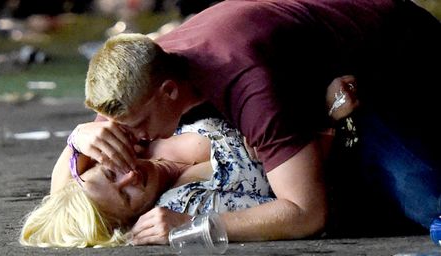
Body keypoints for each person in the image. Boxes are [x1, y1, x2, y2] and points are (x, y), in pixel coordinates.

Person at [55, 0, 441, 241]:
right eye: (115, 182)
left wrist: (194, 228)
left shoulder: (246, 84)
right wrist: (77, 140)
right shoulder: (138, 80)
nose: (128, 163)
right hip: (316, 82)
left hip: (395, 61)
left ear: (169, 93)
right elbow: (65, 200)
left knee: (429, 201)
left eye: (136, 125)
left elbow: (307, 212)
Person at [22, 118, 275, 247]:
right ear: (136, 219)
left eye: (111, 174)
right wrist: (193, 226)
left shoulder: (138, 137)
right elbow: (297, 211)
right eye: (127, 196)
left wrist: (78, 137)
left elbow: (63, 191)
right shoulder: (185, 205)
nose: (131, 176)